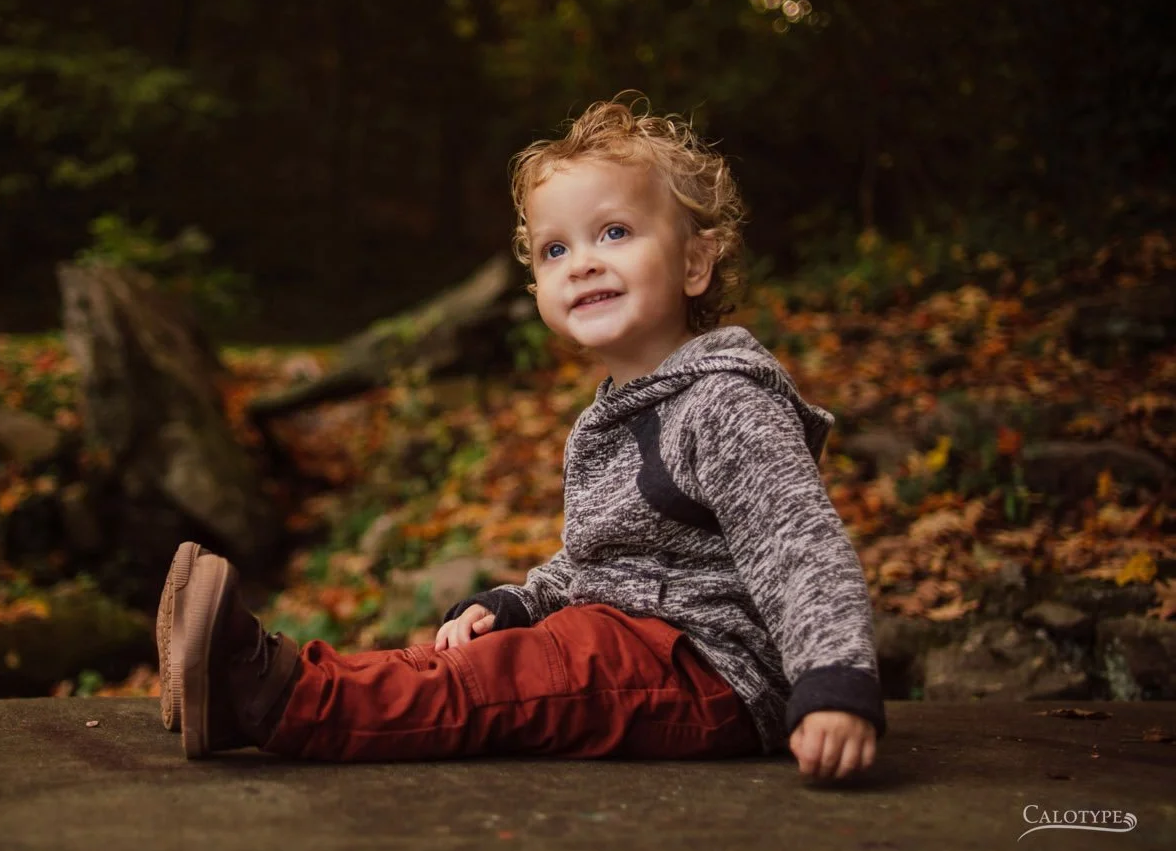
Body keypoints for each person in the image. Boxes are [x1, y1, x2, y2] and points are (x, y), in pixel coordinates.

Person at [156, 93, 885, 782]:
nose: (584, 261)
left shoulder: (725, 403)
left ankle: (282, 697)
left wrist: (834, 682)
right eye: (554, 251)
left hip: (711, 671)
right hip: (632, 646)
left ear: (696, 261)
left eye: (615, 233)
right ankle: (244, 692)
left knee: (504, 681)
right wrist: (522, 601)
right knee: (483, 662)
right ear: (537, 288)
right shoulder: (617, 413)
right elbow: (602, 560)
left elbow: (801, 547)